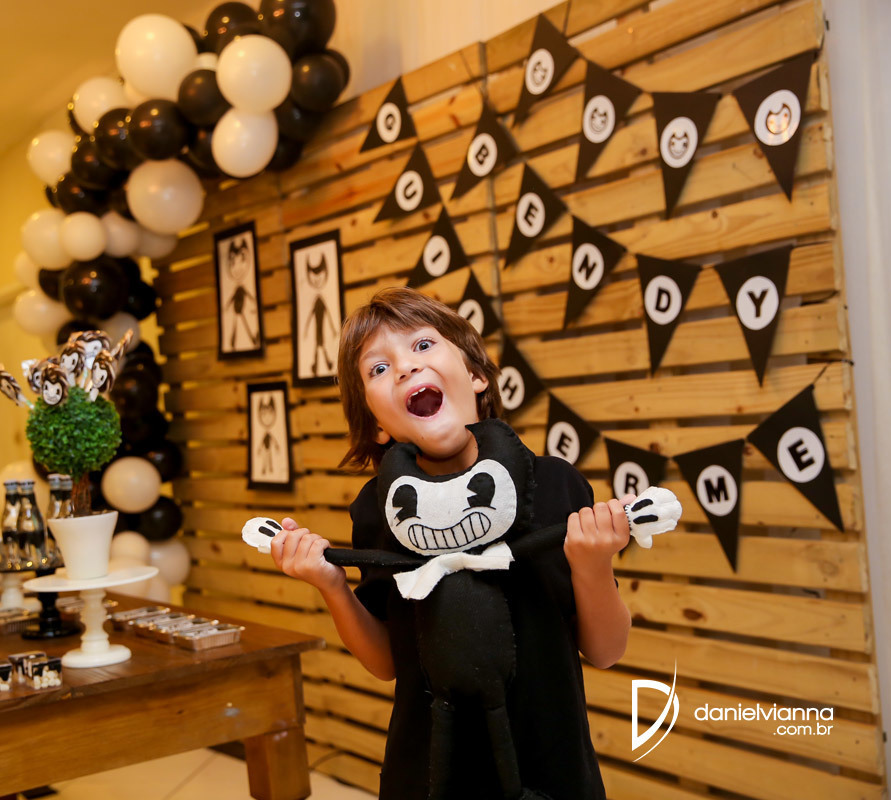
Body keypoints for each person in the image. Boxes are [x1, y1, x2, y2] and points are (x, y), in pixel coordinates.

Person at [267, 287, 631, 799]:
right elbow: (385, 663)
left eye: (422, 345)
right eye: (378, 368)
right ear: (376, 424)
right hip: (427, 772)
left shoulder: (553, 484)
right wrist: (331, 586)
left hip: (550, 765)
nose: (405, 368)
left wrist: (593, 563)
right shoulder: (378, 510)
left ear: (477, 375)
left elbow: (607, 650)